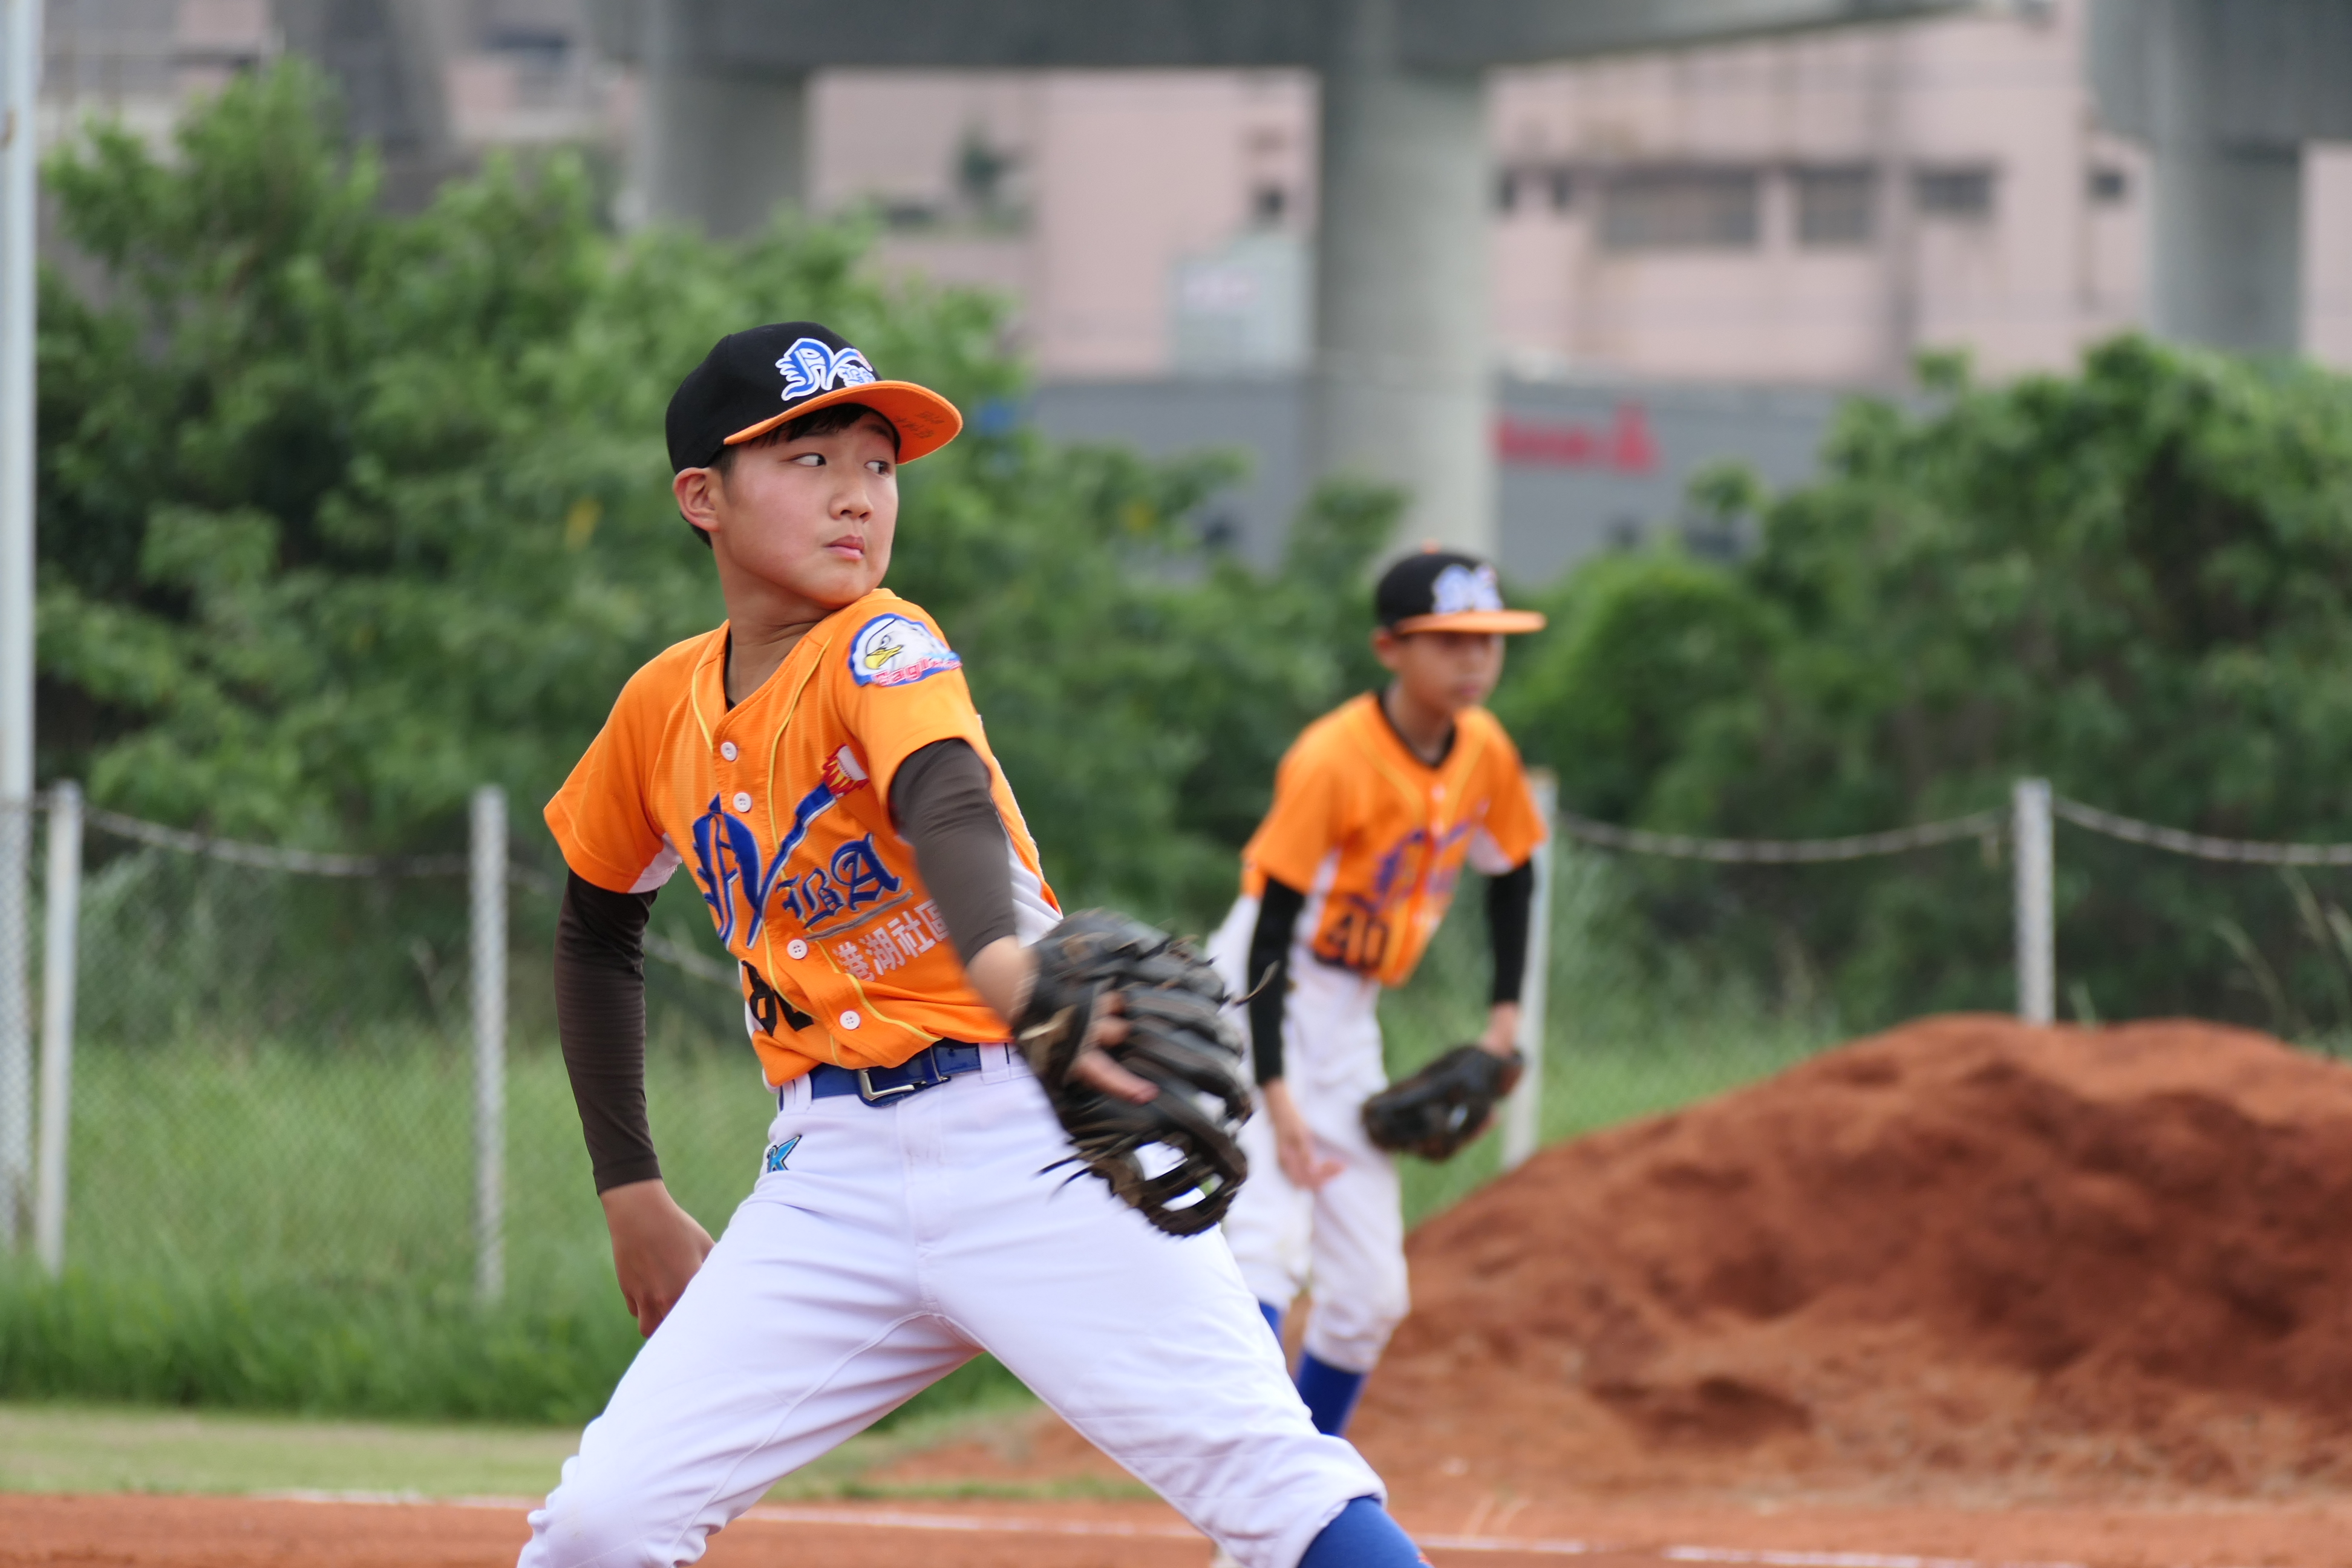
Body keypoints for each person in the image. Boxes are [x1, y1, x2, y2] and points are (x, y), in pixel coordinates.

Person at [521, 321, 1428, 1568]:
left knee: (1279, 1489)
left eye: (878, 464)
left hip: (1032, 1131)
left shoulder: (883, 643)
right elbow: (595, 928)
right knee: (598, 1526)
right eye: (808, 459)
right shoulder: (660, 706)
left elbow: (942, 798)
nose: (857, 494)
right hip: (829, 1175)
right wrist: (630, 1187)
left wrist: (1009, 973)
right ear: (702, 498)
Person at [1210, 549, 1548, 1439]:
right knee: (1266, 1248)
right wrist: (1276, 1095)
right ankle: (1254, 1488)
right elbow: (1271, 930)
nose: (1474, 660)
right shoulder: (1334, 757)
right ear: (1391, 648)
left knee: (1370, 1295)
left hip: (1350, 1013)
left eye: (1488, 641)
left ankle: (1305, 1479)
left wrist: (1504, 1023)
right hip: (1259, 996)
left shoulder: (1485, 750)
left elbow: (1514, 873)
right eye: (1449, 641)